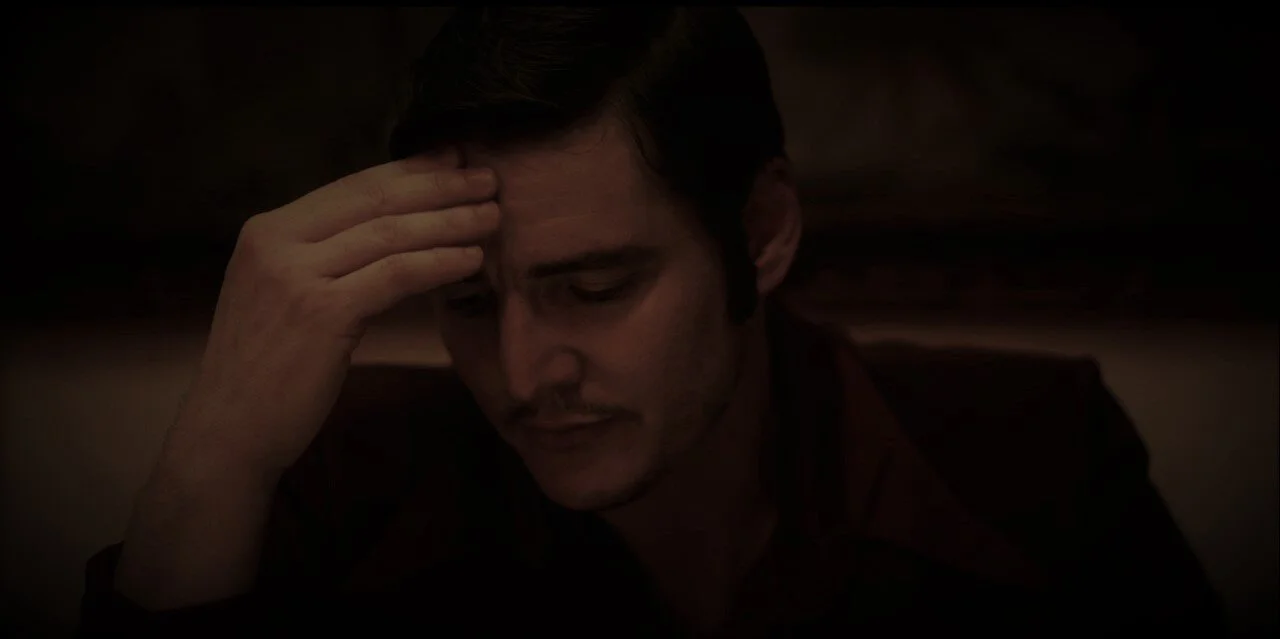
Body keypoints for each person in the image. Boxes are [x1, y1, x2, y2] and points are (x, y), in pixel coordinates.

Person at [78, 7, 1224, 636]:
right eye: (468, 301)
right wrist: (214, 454)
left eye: (594, 288)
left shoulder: (1032, 455)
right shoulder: (348, 487)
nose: (523, 371)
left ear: (760, 231)